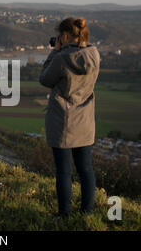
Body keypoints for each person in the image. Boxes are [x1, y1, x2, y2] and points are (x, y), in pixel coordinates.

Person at [39, 17, 100, 218]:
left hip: (63, 121)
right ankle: (86, 213)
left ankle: (64, 216)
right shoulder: (94, 55)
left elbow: (45, 79)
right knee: (86, 170)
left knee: (64, 172)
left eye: (60, 36)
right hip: (85, 120)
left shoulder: (61, 58)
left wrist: (54, 51)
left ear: (64, 36)